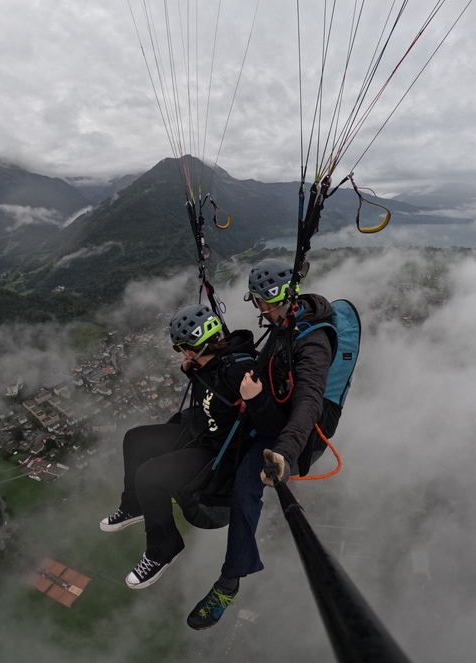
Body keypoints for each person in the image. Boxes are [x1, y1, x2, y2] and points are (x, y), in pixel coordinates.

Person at [186, 258, 335, 630]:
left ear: (280, 298)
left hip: (282, 433)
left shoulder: (313, 342)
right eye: (256, 301)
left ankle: (228, 582)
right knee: (199, 428)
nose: (259, 309)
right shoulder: (287, 322)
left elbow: (308, 403)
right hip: (262, 411)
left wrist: (284, 453)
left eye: (261, 301)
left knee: (245, 487)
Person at [100, 303, 257, 589]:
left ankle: (164, 548)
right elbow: (216, 395)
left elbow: (263, 417)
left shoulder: (240, 372)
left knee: (149, 475)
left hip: (219, 454)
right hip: (201, 430)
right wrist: (191, 372)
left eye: (183, 348)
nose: (182, 354)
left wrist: (257, 399)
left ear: (199, 345)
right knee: (134, 439)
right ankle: (133, 506)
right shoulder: (210, 362)